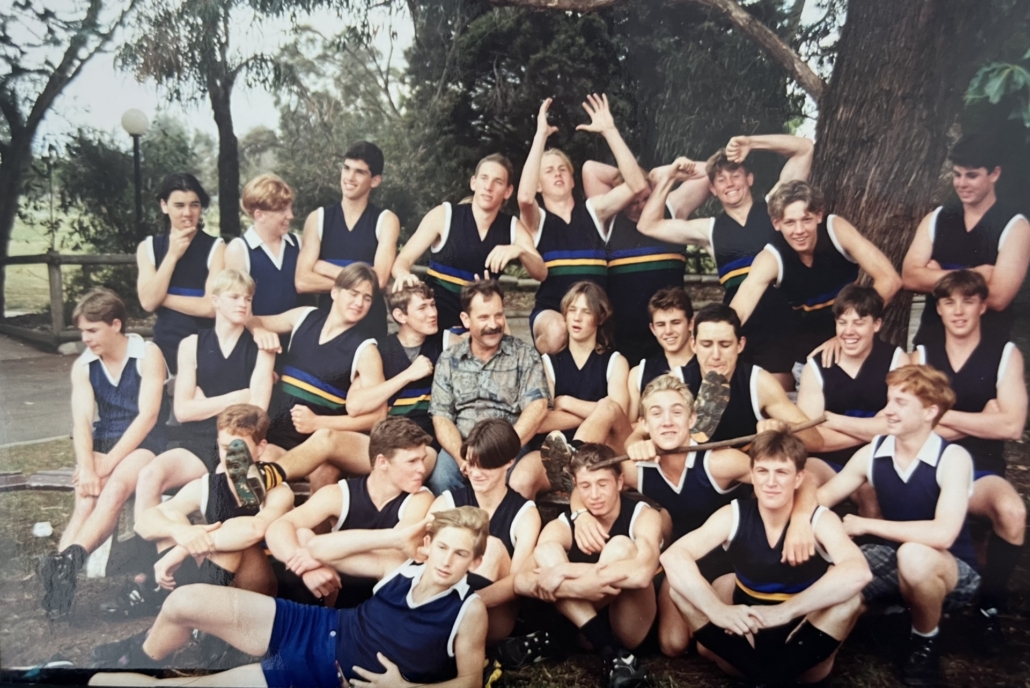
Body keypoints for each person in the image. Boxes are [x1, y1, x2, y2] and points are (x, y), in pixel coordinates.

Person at [89, 508, 489, 688]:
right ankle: (143, 656)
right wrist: (397, 537)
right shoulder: (400, 568)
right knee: (183, 602)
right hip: (315, 627)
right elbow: (318, 548)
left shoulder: (469, 609)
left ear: (475, 560)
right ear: (428, 545)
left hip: (323, 673)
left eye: (460, 554)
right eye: (442, 548)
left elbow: (471, 682)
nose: (447, 561)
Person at [571, 374, 820, 657]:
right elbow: (583, 480)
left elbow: (805, 478)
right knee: (673, 644)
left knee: (708, 644)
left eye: (677, 412)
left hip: (728, 562)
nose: (667, 421)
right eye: (656, 413)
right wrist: (580, 513)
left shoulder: (719, 462)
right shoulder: (638, 469)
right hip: (678, 560)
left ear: (692, 419)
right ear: (644, 423)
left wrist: (801, 520)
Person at [662, 430, 870, 685]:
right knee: (681, 591)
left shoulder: (819, 519)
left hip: (801, 636)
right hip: (746, 634)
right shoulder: (734, 515)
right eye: (762, 471)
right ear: (752, 474)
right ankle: (770, 680)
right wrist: (715, 610)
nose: (771, 482)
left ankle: (765, 679)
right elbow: (674, 556)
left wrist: (785, 612)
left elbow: (858, 571)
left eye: (781, 472)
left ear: (798, 478)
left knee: (851, 600)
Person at [816, 365, 981, 686]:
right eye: (889, 400)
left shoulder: (953, 458)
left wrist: (866, 525)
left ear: (929, 412)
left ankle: (925, 640)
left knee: (914, 556)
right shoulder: (873, 452)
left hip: (948, 569)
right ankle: (811, 652)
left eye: (901, 403)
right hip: (889, 556)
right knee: (836, 578)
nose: (888, 411)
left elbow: (943, 534)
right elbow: (821, 499)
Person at [637, 134, 816, 388]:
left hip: (781, 328)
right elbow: (649, 225)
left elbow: (804, 149)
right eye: (721, 180)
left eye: (735, 176)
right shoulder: (710, 230)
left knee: (777, 403)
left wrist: (751, 143)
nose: (729, 184)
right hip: (736, 329)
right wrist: (669, 177)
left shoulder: (774, 209)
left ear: (749, 179)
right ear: (712, 189)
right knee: (731, 401)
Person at [912, 270, 1027, 650]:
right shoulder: (924, 353)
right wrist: (985, 417)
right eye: (949, 302)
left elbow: (1011, 425)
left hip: (981, 471)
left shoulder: (1005, 353)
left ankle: (988, 610)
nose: (958, 310)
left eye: (967, 301)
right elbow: (910, 425)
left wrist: (939, 417)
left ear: (982, 306)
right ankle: (908, 605)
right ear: (939, 309)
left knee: (1012, 513)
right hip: (930, 466)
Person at [40, 289, 167, 619]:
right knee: (86, 496)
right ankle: (58, 582)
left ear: (115, 325)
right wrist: (87, 465)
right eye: (82, 331)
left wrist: (108, 463)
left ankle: (69, 562)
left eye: (92, 330)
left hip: (146, 442)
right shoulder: (84, 365)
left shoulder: (147, 353)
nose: (85, 338)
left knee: (114, 490)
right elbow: (81, 419)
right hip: (106, 440)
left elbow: (148, 416)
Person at [120, 405, 294, 618]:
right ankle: (195, 617)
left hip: (264, 588)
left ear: (260, 448)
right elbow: (144, 522)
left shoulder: (277, 491)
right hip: (220, 581)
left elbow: (255, 529)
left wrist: (182, 549)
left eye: (239, 449)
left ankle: (194, 616)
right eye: (225, 448)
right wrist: (180, 532)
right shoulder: (208, 486)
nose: (231, 458)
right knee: (172, 519)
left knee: (233, 541)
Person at [514, 443, 661, 688]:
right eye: (585, 486)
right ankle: (613, 655)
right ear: (575, 485)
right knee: (546, 550)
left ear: (620, 481)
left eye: (602, 484)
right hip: (586, 630)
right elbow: (521, 581)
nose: (594, 495)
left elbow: (642, 575)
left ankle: (557, 637)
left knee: (620, 546)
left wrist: (567, 574)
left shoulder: (643, 516)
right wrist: (580, 589)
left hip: (629, 625)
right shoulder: (565, 524)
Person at [135, 269, 276, 515]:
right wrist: (238, 397)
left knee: (223, 484)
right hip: (196, 445)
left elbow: (256, 413)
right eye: (234, 297)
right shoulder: (191, 344)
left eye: (248, 299)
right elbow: (183, 411)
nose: (243, 304)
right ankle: (155, 548)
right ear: (215, 301)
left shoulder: (261, 348)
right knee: (150, 475)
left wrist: (205, 404)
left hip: (237, 446)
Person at [729, 180, 902, 377]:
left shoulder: (835, 230)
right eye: (790, 222)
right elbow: (737, 311)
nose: (800, 230)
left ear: (819, 215)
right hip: (809, 356)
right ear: (777, 224)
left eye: (806, 219)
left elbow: (890, 279)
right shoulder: (771, 257)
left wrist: (844, 334)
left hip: (856, 340)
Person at [518, 95, 649, 355]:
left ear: (572, 180)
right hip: (552, 313)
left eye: (562, 169)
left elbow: (637, 185)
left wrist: (610, 131)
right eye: (549, 170)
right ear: (539, 184)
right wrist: (540, 136)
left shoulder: (594, 211)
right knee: (557, 331)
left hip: (596, 317)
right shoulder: (537, 220)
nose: (557, 173)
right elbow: (524, 197)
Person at [263, 417, 434, 604]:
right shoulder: (339, 494)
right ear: (382, 462)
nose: (422, 469)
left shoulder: (420, 498)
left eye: (423, 460)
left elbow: (393, 554)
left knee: (306, 538)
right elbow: (278, 528)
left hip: (386, 602)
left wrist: (317, 552)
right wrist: (306, 567)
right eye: (412, 461)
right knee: (301, 535)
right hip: (339, 592)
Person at [247, 263, 385, 492]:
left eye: (367, 298)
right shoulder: (304, 317)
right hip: (280, 438)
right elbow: (254, 320)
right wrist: (259, 331)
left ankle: (313, 527)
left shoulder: (365, 350)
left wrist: (318, 423)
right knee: (261, 460)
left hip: (322, 448)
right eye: (353, 293)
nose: (359, 303)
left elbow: (377, 416)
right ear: (334, 292)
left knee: (325, 473)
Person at [391, 154, 546, 334]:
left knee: (511, 351)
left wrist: (520, 251)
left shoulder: (512, 227)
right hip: (436, 318)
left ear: (508, 191)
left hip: (479, 319)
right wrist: (402, 274)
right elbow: (403, 260)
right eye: (484, 178)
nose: (488, 187)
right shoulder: (444, 215)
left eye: (497, 181)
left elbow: (541, 272)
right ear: (473, 182)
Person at [635, 304, 822, 450]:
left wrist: (783, 429)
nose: (716, 355)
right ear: (693, 344)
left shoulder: (758, 382)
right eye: (707, 344)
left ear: (740, 345)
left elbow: (815, 440)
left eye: (724, 344)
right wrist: (640, 446)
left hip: (747, 479)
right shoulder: (678, 382)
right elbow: (636, 435)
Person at [902, 133, 1030, 346]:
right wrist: (977, 275)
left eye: (971, 176)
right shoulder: (936, 218)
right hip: (931, 344)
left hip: (986, 349)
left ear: (994, 174)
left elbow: (999, 298)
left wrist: (933, 275)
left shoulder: (1016, 226)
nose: (961, 183)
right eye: (957, 175)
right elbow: (909, 278)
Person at [428, 280, 551, 500]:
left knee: (514, 482)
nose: (493, 324)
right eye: (484, 317)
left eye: (498, 315)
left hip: (508, 444)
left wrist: (504, 449)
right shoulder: (449, 359)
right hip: (463, 443)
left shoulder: (523, 354)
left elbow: (537, 407)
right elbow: (441, 417)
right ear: (466, 320)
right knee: (442, 478)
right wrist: (461, 457)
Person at [431, 419, 541, 645]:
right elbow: (420, 555)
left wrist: (462, 605)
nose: (476, 473)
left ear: (509, 462)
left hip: (491, 612)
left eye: (486, 466)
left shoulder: (525, 514)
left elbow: (516, 583)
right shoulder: (448, 501)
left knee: (489, 546)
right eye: (471, 464)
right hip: (439, 604)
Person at [797, 284, 909, 474]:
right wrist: (875, 429)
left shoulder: (896, 360)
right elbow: (810, 438)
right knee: (807, 480)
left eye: (858, 323)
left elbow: (902, 425)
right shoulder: (815, 367)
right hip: (826, 462)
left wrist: (832, 420)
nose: (848, 331)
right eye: (842, 322)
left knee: (871, 495)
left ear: (876, 324)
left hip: (879, 456)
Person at [295, 141, 399, 341]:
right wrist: (362, 281)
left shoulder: (386, 220)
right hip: (328, 322)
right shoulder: (318, 218)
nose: (349, 177)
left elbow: (380, 281)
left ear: (375, 180)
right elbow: (302, 281)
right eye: (346, 168)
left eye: (359, 172)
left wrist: (322, 267)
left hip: (369, 325)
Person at [137, 173, 224, 374]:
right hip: (164, 347)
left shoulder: (216, 248)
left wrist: (160, 297)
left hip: (204, 346)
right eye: (179, 205)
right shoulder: (149, 247)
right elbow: (148, 303)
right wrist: (172, 255)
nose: (187, 212)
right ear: (164, 206)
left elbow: (210, 307)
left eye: (194, 205)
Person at [537, 281, 631, 451]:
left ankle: (573, 456)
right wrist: (598, 417)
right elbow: (540, 422)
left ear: (601, 317)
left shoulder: (615, 362)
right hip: (555, 453)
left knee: (609, 409)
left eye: (586, 312)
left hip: (600, 452)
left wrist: (566, 403)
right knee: (524, 472)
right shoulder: (548, 362)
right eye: (572, 310)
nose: (577, 317)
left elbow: (618, 415)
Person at [225, 173, 301, 317]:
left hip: (299, 335)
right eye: (282, 210)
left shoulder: (298, 243)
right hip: (259, 336)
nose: (290, 216)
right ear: (259, 215)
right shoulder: (239, 250)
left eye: (290, 208)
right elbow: (235, 308)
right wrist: (257, 329)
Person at [627, 286, 695, 421]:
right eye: (661, 324)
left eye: (676, 322)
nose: (668, 331)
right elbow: (629, 427)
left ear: (691, 323)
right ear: (653, 329)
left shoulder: (708, 364)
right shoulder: (639, 373)